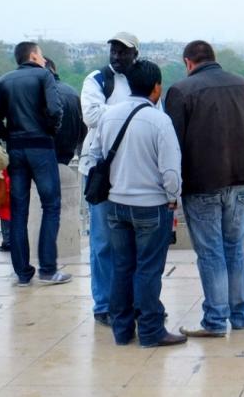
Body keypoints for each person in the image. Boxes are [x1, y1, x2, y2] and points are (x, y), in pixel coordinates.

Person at [81, 60, 186, 348]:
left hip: (115, 204)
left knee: (122, 267)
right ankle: (151, 330)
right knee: (149, 269)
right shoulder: (160, 121)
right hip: (151, 205)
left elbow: (96, 155)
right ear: (157, 88)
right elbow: (171, 172)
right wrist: (173, 199)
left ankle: (122, 330)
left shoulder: (109, 115)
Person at [165, 40, 244, 337]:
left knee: (210, 253)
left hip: (202, 183)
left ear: (188, 62)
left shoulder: (180, 91)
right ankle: (240, 316)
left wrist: (172, 191)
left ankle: (216, 320)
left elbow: (174, 146)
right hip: (240, 179)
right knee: (235, 250)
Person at [0, 41, 69, 286]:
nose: (44, 59)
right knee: (51, 206)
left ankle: (23, 272)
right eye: (41, 55)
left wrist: (7, 135)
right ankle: (48, 269)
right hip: (41, 147)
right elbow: (55, 110)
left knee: (18, 211)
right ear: (33, 55)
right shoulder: (44, 76)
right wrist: (50, 130)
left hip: (15, 148)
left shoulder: (3, 81)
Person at [79, 32, 139, 326]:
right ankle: (103, 304)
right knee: (102, 242)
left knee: (132, 243)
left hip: (132, 168)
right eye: (113, 51)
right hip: (100, 170)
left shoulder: (140, 79)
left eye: (122, 52)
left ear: (135, 54)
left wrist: (111, 113)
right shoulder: (97, 79)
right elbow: (90, 117)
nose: (116, 56)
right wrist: (131, 111)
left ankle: (129, 301)